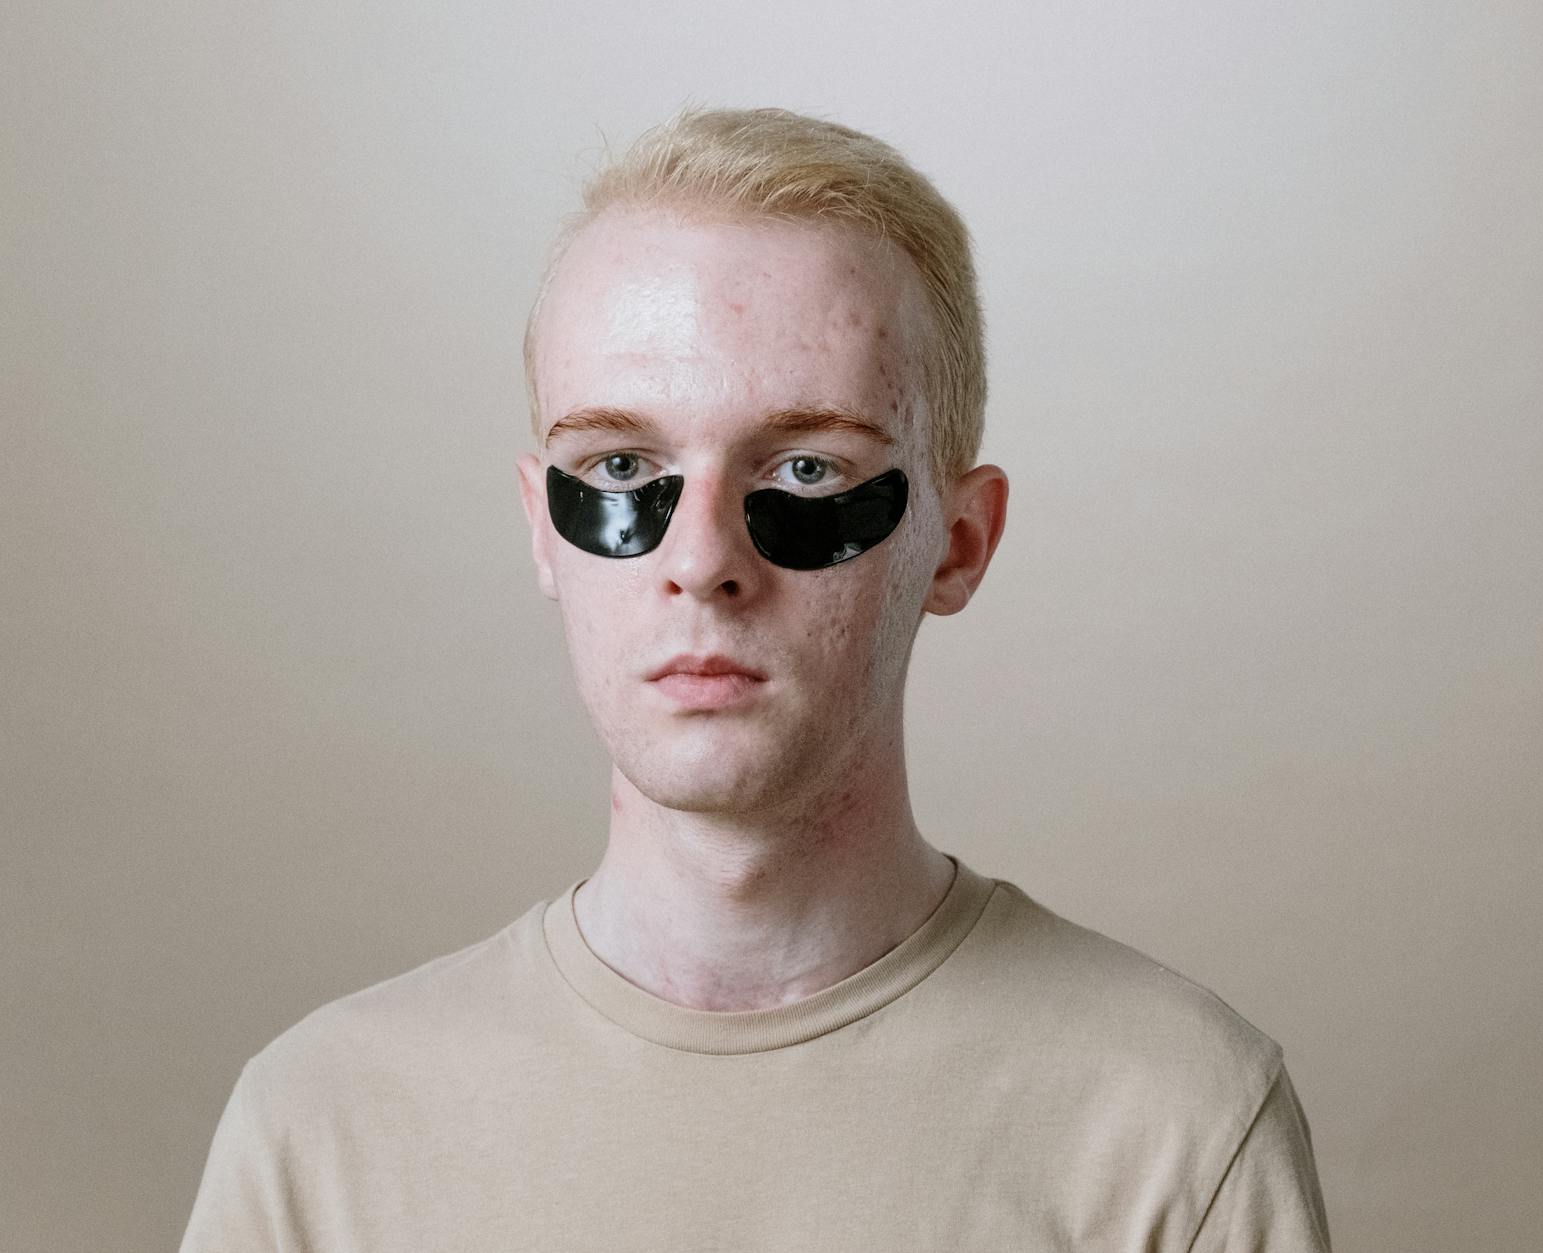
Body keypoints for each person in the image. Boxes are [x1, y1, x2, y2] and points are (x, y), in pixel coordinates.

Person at [178, 106, 1332, 1252]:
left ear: (959, 541)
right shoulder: (319, 1132)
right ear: (542, 529)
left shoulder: (1175, 1126)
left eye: (806, 467)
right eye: (622, 466)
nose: (701, 562)